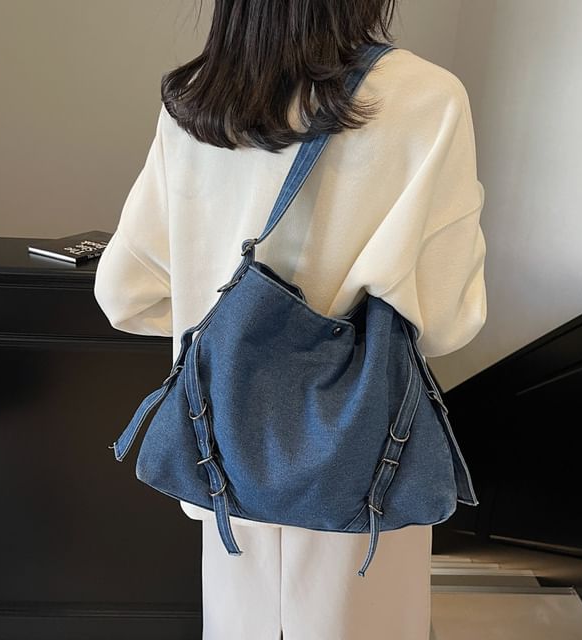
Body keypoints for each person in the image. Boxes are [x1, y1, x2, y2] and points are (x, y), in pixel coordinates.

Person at [93, 1, 487, 638]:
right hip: (362, 473)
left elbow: (124, 294)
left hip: (225, 466)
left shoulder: (196, 103)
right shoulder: (428, 98)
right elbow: (448, 319)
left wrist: (236, 333)